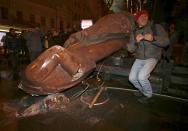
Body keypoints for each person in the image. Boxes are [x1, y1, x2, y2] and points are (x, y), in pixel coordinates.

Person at [127, 10, 170, 104]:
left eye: (145, 16)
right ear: (137, 20)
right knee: (132, 78)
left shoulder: (156, 27)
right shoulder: (134, 32)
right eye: (141, 17)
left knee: (142, 76)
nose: (144, 18)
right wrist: (135, 42)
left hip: (152, 56)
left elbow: (166, 42)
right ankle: (142, 91)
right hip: (139, 58)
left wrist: (153, 38)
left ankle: (148, 95)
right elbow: (130, 49)